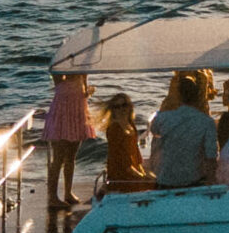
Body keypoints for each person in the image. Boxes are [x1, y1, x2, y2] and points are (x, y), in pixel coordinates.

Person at [150, 75, 218, 188]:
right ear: (197, 96)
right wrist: (211, 182)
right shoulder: (207, 122)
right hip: (193, 180)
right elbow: (211, 157)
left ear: (179, 96)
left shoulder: (162, 118)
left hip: (166, 180)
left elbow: (154, 131)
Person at [42, 73, 93, 209]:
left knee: (71, 157)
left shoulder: (82, 71)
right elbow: (55, 75)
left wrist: (88, 92)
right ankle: (52, 197)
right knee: (58, 158)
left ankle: (68, 193)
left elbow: (84, 91)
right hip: (62, 114)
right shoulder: (60, 73)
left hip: (77, 112)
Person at [99, 93, 153, 191]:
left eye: (124, 105)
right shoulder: (114, 129)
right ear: (113, 110)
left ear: (130, 107)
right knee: (154, 185)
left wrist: (143, 172)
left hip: (133, 171)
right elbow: (122, 160)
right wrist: (141, 176)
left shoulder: (130, 125)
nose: (121, 109)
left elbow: (136, 153)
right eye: (117, 107)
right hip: (121, 175)